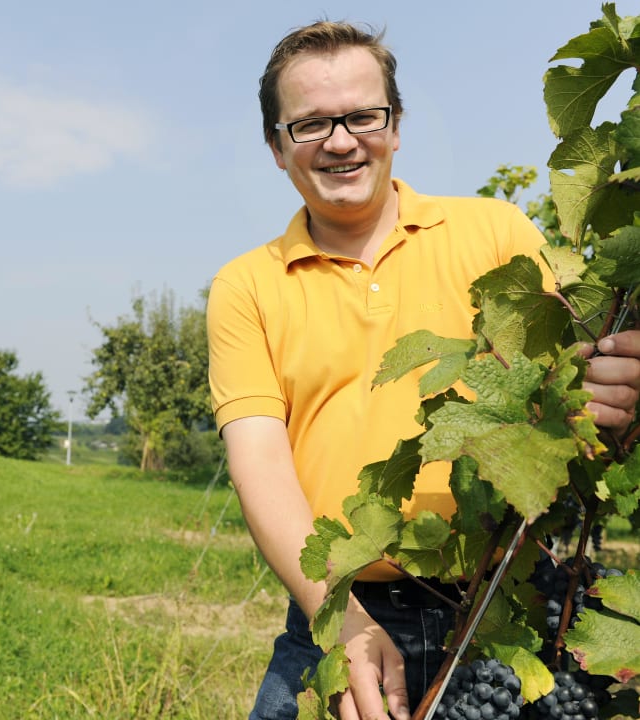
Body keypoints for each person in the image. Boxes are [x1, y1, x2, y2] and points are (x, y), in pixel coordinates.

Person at [206, 20, 640, 720]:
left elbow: (566, 392)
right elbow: (258, 460)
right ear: (276, 147)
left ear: (395, 125)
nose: (341, 141)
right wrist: (338, 621)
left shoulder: (495, 234)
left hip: (509, 599)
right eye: (310, 124)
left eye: (361, 116)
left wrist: (608, 389)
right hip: (341, 603)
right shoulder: (246, 285)